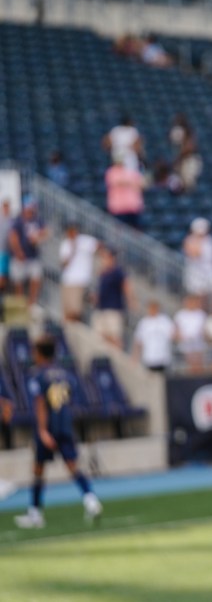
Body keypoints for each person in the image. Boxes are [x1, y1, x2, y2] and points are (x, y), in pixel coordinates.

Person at [14, 336, 102, 528]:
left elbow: (40, 405)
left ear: (39, 353)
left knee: (38, 470)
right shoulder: (65, 374)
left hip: (48, 427)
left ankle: (35, 512)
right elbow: (68, 400)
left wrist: (42, 431)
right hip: (65, 424)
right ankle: (91, 500)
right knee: (73, 466)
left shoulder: (38, 376)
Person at [7, 197, 48, 307]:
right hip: (19, 257)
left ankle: (31, 303)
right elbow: (13, 236)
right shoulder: (18, 220)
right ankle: (20, 304)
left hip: (33, 256)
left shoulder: (37, 220)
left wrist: (38, 238)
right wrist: (18, 251)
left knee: (36, 278)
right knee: (18, 282)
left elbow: (45, 232)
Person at [92, 247, 134, 350]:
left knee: (115, 338)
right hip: (101, 308)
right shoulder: (103, 273)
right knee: (100, 337)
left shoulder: (117, 271)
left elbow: (126, 286)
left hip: (114, 309)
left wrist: (131, 301)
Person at [59, 223, 100, 322]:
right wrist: (72, 250)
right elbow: (64, 264)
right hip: (67, 280)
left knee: (76, 311)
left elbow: (99, 247)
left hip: (80, 280)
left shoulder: (85, 241)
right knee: (67, 310)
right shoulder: (65, 244)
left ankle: (75, 327)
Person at [182, 218, 212, 301]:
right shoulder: (190, 240)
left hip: (211, 271)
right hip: (197, 271)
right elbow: (194, 254)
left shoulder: (210, 240)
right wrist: (197, 240)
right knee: (198, 295)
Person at [132, 300, 176, 372]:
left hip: (163, 358)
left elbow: (173, 335)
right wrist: (135, 357)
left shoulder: (165, 321)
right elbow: (138, 341)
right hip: (149, 358)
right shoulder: (144, 322)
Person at [105, 155, 145, 230]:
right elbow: (117, 182)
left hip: (134, 207)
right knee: (119, 230)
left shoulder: (133, 171)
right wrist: (131, 183)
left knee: (136, 230)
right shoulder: (112, 171)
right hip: (118, 208)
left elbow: (142, 184)